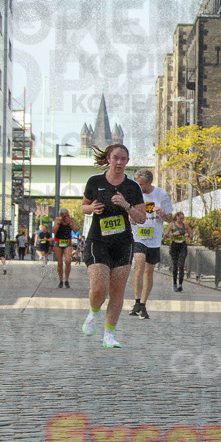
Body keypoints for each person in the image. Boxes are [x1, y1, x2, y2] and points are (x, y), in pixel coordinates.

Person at [80, 144, 146, 347]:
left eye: (123, 159)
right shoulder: (95, 181)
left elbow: (141, 218)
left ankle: (109, 335)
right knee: (99, 288)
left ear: (127, 161)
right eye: (115, 158)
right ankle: (93, 312)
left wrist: (126, 205)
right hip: (98, 241)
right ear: (108, 158)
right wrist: (92, 208)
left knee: (117, 291)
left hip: (122, 243)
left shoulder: (132, 187)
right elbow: (83, 207)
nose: (119, 162)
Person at [128, 169, 173, 320]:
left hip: (154, 238)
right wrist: (130, 216)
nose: (138, 187)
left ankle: (142, 303)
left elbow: (170, 218)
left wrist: (161, 214)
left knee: (149, 271)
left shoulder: (161, 194)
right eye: (136, 184)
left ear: (149, 182)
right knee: (139, 264)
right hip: (138, 236)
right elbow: (126, 210)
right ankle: (136, 300)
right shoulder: (133, 193)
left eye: (140, 184)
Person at [52, 208, 79, 288]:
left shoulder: (71, 220)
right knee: (60, 263)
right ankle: (61, 280)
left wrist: (71, 223)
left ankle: (66, 280)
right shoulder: (57, 219)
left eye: (67, 215)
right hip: (58, 242)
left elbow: (76, 230)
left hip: (67, 242)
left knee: (68, 261)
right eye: (64, 216)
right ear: (61, 215)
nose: (66, 217)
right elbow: (53, 231)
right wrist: (58, 223)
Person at [164, 211, 188, 292]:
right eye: (180, 218)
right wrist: (173, 234)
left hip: (183, 246)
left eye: (183, 218)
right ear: (176, 217)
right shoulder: (172, 225)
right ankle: (174, 284)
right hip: (174, 246)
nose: (181, 220)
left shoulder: (185, 225)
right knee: (175, 266)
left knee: (181, 265)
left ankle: (180, 285)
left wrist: (188, 235)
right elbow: (165, 235)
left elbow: (191, 234)